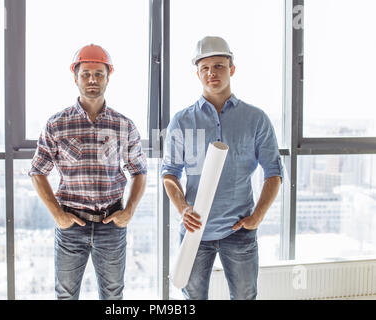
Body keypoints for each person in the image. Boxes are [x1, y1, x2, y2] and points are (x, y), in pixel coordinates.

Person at [161, 36, 283, 300]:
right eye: (204, 68)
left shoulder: (255, 119)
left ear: (232, 69)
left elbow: (273, 172)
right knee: (192, 298)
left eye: (218, 66)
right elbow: (169, 173)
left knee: (244, 296)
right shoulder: (182, 121)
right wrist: (183, 208)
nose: (211, 73)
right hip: (195, 232)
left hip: (239, 230)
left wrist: (257, 216)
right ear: (197, 73)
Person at [29, 44, 147, 300]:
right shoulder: (57, 124)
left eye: (98, 74)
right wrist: (57, 215)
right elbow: (38, 172)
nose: (92, 79)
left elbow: (139, 171)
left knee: (114, 295)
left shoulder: (123, 125)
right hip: (71, 225)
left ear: (108, 77)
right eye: (86, 74)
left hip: (111, 224)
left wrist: (129, 211)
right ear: (75, 77)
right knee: (66, 294)